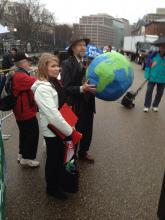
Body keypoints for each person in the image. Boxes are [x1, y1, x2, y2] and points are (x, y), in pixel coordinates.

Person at [31, 53, 73, 200]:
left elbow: (60, 104)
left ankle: (57, 184)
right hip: (52, 130)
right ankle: (52, 188)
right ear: (44, 67)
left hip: (58, 128)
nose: (57, 69)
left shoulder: (52, 82)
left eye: (58, 65)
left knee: (58, 158)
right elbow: (53, 114)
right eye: (53, 66)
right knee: (53, 160)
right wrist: (69, 130)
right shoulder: (43, 89)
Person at [61, 35, 96, 163]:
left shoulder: (87, 62)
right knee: (75, 133)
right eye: (80, 45)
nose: (83, 47)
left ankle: (83, 153)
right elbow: (66, 88)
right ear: (73, 48)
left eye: (84, 45)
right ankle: (72, 157)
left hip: (88, 103)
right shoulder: (67, 64)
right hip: (75, 105)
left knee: (88, 131)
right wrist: (82, 89)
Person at [12, 52, 39, 167]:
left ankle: (22, 154)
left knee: (24, 133)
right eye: (28, 61)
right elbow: (37, 82)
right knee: (32, 133)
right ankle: (28, 158)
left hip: (21, 110)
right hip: (25, 111)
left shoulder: (17, 74)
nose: (30, 63)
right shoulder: (21, 76)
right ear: (23, 63)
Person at [144, 39, 165, 113]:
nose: (163, 48)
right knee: (149, 91)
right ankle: (146, 106)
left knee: (160, 93)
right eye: (162, 47)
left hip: (162, 79)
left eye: (164, 47)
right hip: (152, 77)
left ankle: (155, 105)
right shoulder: (153, 55)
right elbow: (147, 66)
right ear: (159, 47)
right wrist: (147, 74)